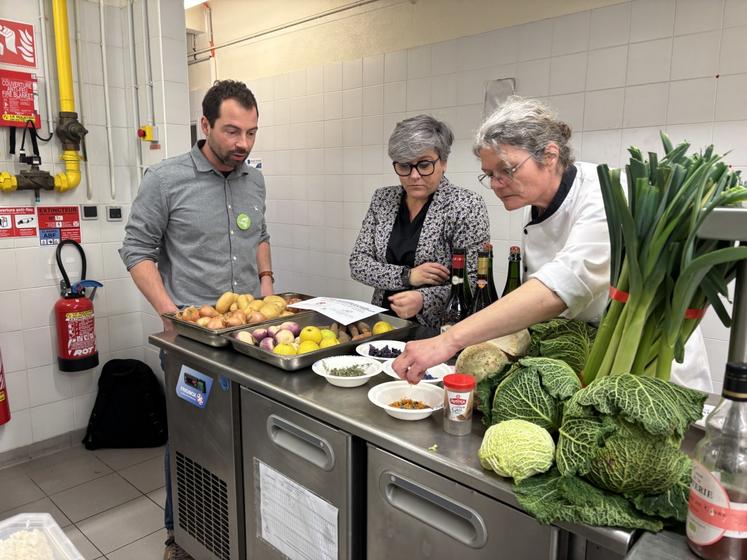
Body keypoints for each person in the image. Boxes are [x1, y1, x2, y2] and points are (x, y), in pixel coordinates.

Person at [392, 96, 711, 392]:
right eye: (489, 174)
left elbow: (559, 288)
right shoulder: (538, 206)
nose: (496, 184)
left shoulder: (606, 196)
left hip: (652, 366)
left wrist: (448, 340)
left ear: (550, 154)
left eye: (507, 170)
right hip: (593, 358)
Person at [119, 80, 272, 560]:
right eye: (231, 131)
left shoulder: (254, 179)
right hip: (194, 342)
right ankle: (180, 535)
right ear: (204, 125)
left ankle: (240, 534)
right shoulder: (164, 180)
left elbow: (260, 233)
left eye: (250, 132)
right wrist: (170, 316)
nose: (242, 144)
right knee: (192, 438)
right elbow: (136, 250)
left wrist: (267, 285)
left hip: (251, 337)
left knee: (246, 437)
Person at [349, 115, 490, 328]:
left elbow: (475, 282)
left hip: (437, 330)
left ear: (443, 162)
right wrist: (407, 277)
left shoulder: (465, 205)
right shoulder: (383, 199)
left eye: (424, 165)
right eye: (405, 166)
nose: (414, 176)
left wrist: (425, 299)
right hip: (383, 324)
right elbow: (358, 264)